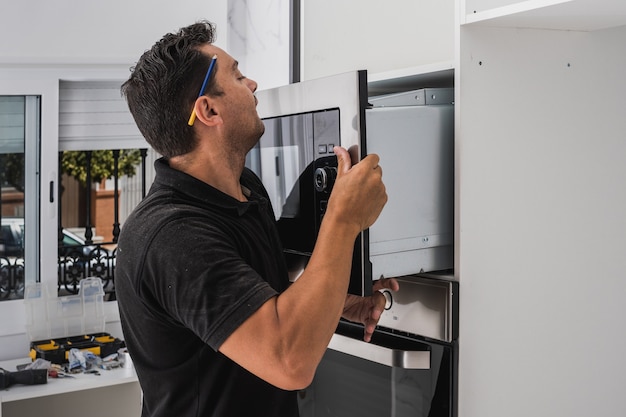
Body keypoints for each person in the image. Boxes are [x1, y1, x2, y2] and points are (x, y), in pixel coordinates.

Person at [116, 20, 398, 417]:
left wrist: (335, 301)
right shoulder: (173, 237)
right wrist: (343, 219)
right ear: (209, 110)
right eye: (237, 75)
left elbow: (263, 301)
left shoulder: (243, 188)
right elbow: (289, 360)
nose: (252, 84)